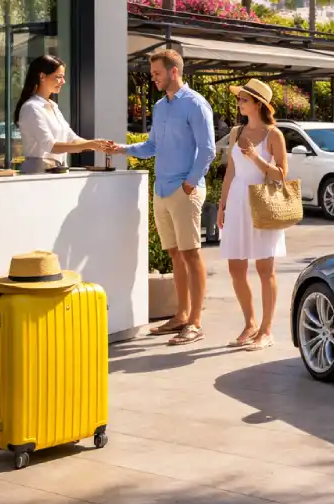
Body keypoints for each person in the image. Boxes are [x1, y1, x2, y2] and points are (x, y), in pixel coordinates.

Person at [110, 49, 215, 345]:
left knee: (192, 254)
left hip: (185, 190)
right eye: (152, 72)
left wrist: (190, 184)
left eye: (157, 73)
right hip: (162, 190)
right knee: (175, 255)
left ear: (174, 72)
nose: (152, 77)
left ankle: (195, 322)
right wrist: (121, 149)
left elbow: (207, 149)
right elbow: (151, 146)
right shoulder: (160, 107)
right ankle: (181, 316)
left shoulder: (196, 104)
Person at [216, 79, 288, 351]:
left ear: (258, 103)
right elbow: (231, 172)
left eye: (244, 99)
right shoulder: (237, 131)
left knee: (264, 269)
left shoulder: (274, 135)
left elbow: (282, 174)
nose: (239, 103)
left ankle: (267, 330)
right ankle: (250, 323)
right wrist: (221, 206)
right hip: (236, 202)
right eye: (240, 99)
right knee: (236, 268)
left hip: (262, 202)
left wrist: (256, 159)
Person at [14, 55, 113, 174]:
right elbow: (50, 146)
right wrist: (90, 144)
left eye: (63, 77)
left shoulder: (53, 106)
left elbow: (72, 139)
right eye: (58, 77)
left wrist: (97, 144)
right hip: (38, 175)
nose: (63, 81)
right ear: (42, 77)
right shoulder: (32, 108)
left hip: (56, 174)